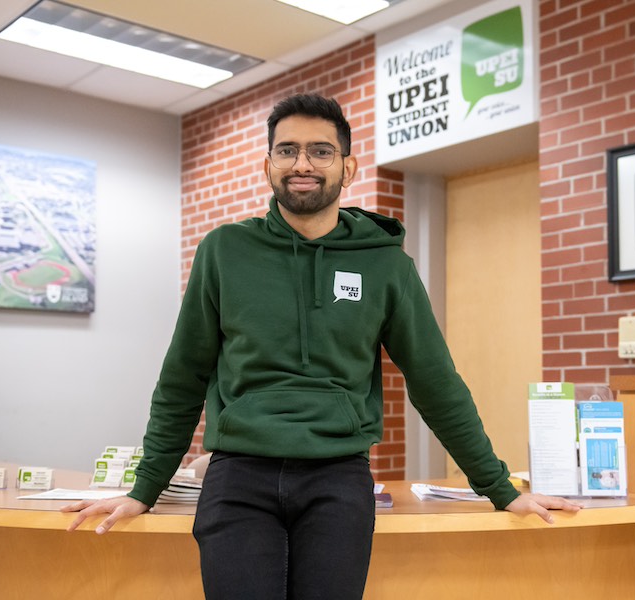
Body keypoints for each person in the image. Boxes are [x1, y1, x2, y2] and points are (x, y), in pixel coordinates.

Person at [63, 93, 582, 599]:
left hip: (339, 478)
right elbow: (183, 376)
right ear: (268, 164)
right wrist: (143, 490)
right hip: (238, 476)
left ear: (348, 168)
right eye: (287, 150)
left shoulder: (386, 266)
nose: (302, 163)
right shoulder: (224, 251)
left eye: (320, 150)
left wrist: (500, 489)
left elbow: (435, 381)